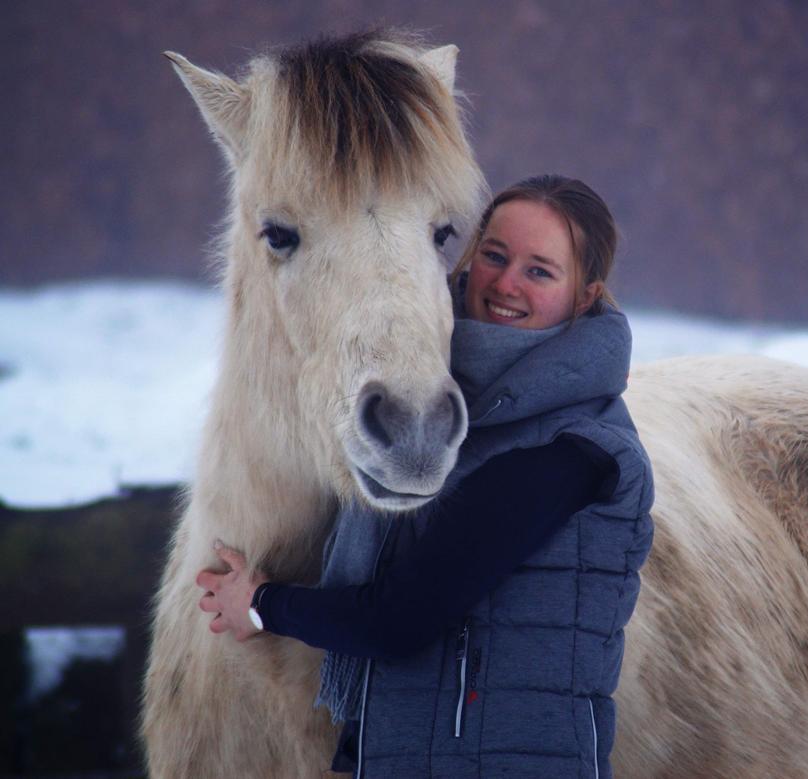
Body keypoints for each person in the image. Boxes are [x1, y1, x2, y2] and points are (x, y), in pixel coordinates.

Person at [196, 174, 655, 778]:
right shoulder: (451, 407)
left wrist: (261, 605)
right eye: (494, 255)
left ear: (585, 295)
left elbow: (399, 621)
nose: (505, 283)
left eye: (540, 271)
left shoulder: (568, 450)